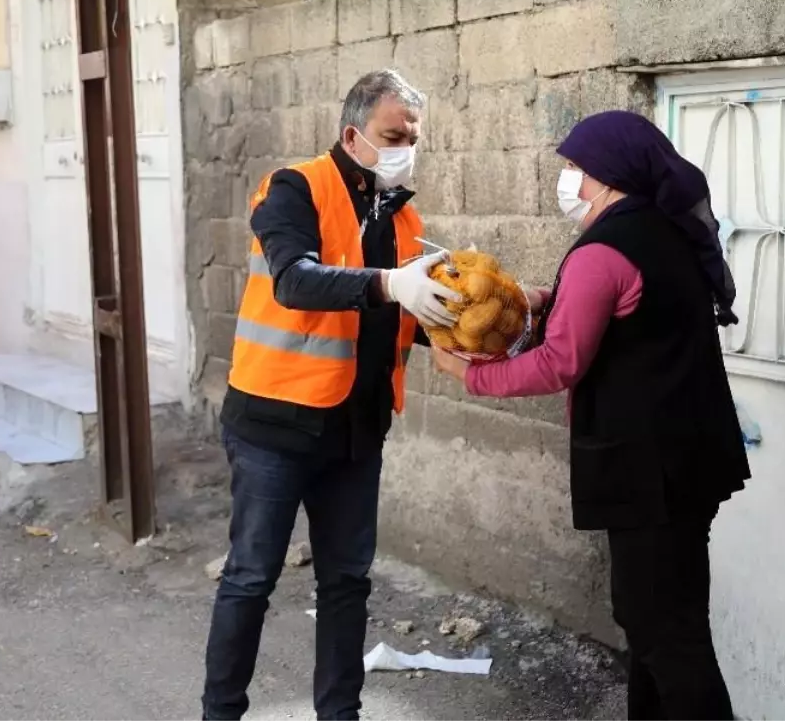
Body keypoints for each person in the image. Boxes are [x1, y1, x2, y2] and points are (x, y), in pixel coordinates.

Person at [431, 110, 751, 721]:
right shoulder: (664, 229)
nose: (569, 180)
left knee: (665, 633)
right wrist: (546, 298)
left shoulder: (603, 251)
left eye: (576, 168)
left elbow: (559, 362)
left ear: (608, 175)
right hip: (691, 458)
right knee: (662, 619)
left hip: (650, 469)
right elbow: (629, 312)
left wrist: (470, 374)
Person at [202, 69, 460, 721]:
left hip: (356, 430)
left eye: (413, 137)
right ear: (353, 133)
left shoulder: (403, 217)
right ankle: (220, 713)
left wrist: (473, 319)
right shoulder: (293, 189)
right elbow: (295, 280)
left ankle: (340, 714)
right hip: (274, 428)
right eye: (392, 134)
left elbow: (400, 310)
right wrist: (389, 285)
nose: (406, 147)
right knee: (251, 578)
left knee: (346, 582)